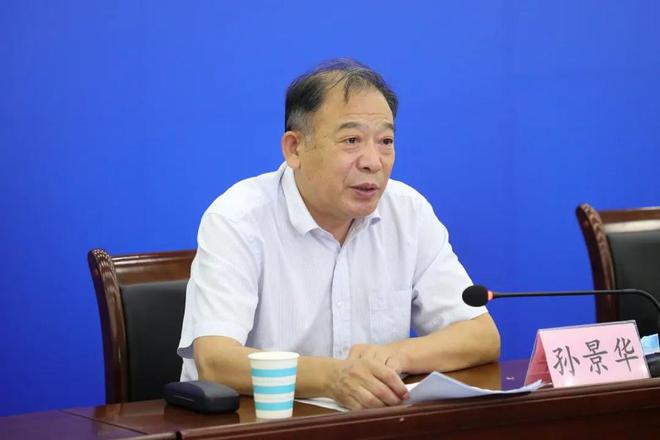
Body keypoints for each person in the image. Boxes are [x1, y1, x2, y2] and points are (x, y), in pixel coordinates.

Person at [177, 58, 500, 410]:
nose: (373, 161)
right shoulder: (238, 219)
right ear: (295, 149)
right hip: (260, 425)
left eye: (386, 141)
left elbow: (481, 336)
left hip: (371, 425)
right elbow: (216, 361)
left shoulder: (408, 212)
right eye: (351, 140)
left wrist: (396, 355)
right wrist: (334, 378)